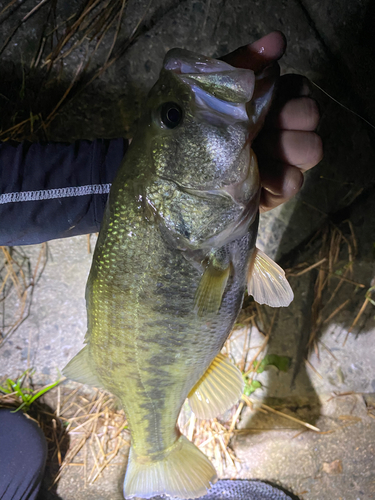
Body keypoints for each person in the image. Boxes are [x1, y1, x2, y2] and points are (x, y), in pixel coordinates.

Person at [0, 32, 322, 499]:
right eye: (173, 117)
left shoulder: (191, 215)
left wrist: (122, 163)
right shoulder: (192, 220)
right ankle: (154, 452)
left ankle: (153, 469)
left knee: (19, 448)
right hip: (175, 358)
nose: (174, 114)